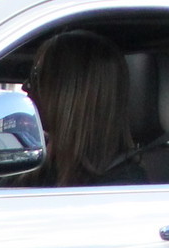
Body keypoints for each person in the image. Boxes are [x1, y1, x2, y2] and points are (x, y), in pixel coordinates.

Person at [18, 29, 135, 187]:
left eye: (37, 76)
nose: (26, 86)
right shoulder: (42, 166)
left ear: (69, 95)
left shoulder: (120, 189)